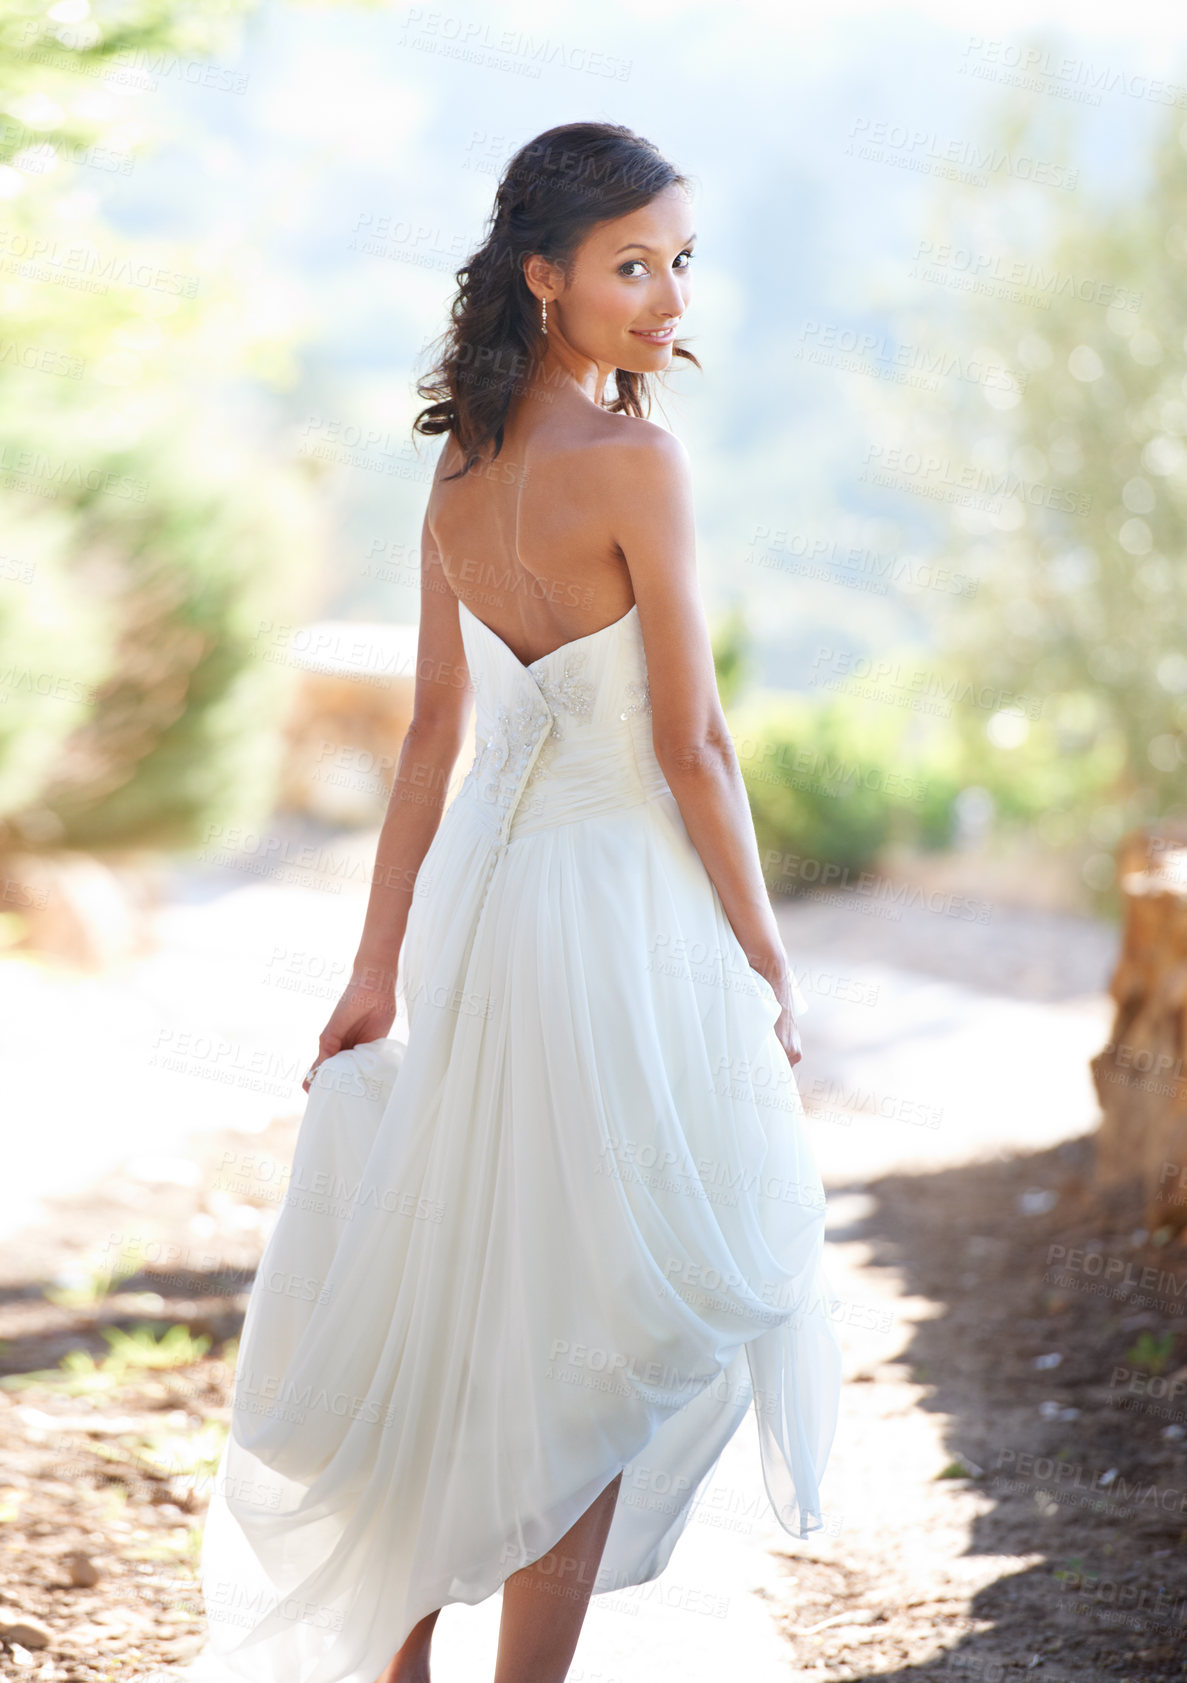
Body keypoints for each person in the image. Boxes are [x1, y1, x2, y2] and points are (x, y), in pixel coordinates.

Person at [187, 121, 841, 1683]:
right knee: (599, 1318)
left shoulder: (463, 464)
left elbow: (434, 734)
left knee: (471, 1295)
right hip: (620, 912)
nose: (668, 294)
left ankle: (398, 1660)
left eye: (681, 261)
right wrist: (764, 953)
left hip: (483, 911)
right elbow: (689, 743)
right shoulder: (635, 464)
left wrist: (376, 969)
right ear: (545, 278)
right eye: (633, 264)